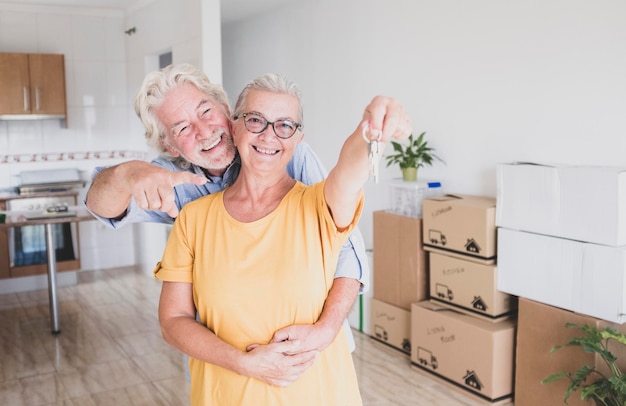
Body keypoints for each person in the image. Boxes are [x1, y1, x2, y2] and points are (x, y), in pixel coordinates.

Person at [84, 64, 367, 375]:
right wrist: (128, 173)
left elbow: (345, 246)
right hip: (228, 361)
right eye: (182, 128)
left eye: (206, 112)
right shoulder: (172, 183)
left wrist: (326, 330)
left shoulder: (282, 150)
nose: (204, 132)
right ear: (169, 146)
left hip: (308, 351)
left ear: (227, 109)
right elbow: (99, 204)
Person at [155, 73, 411, 405]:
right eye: (256, 120)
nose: (269, 135)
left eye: (285, 125)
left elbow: (348, 173)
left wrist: (371, 127)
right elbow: (173, 321)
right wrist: (244, 363)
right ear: (235, 127)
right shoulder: (193, 218)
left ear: (298, 138)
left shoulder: (320, 206)